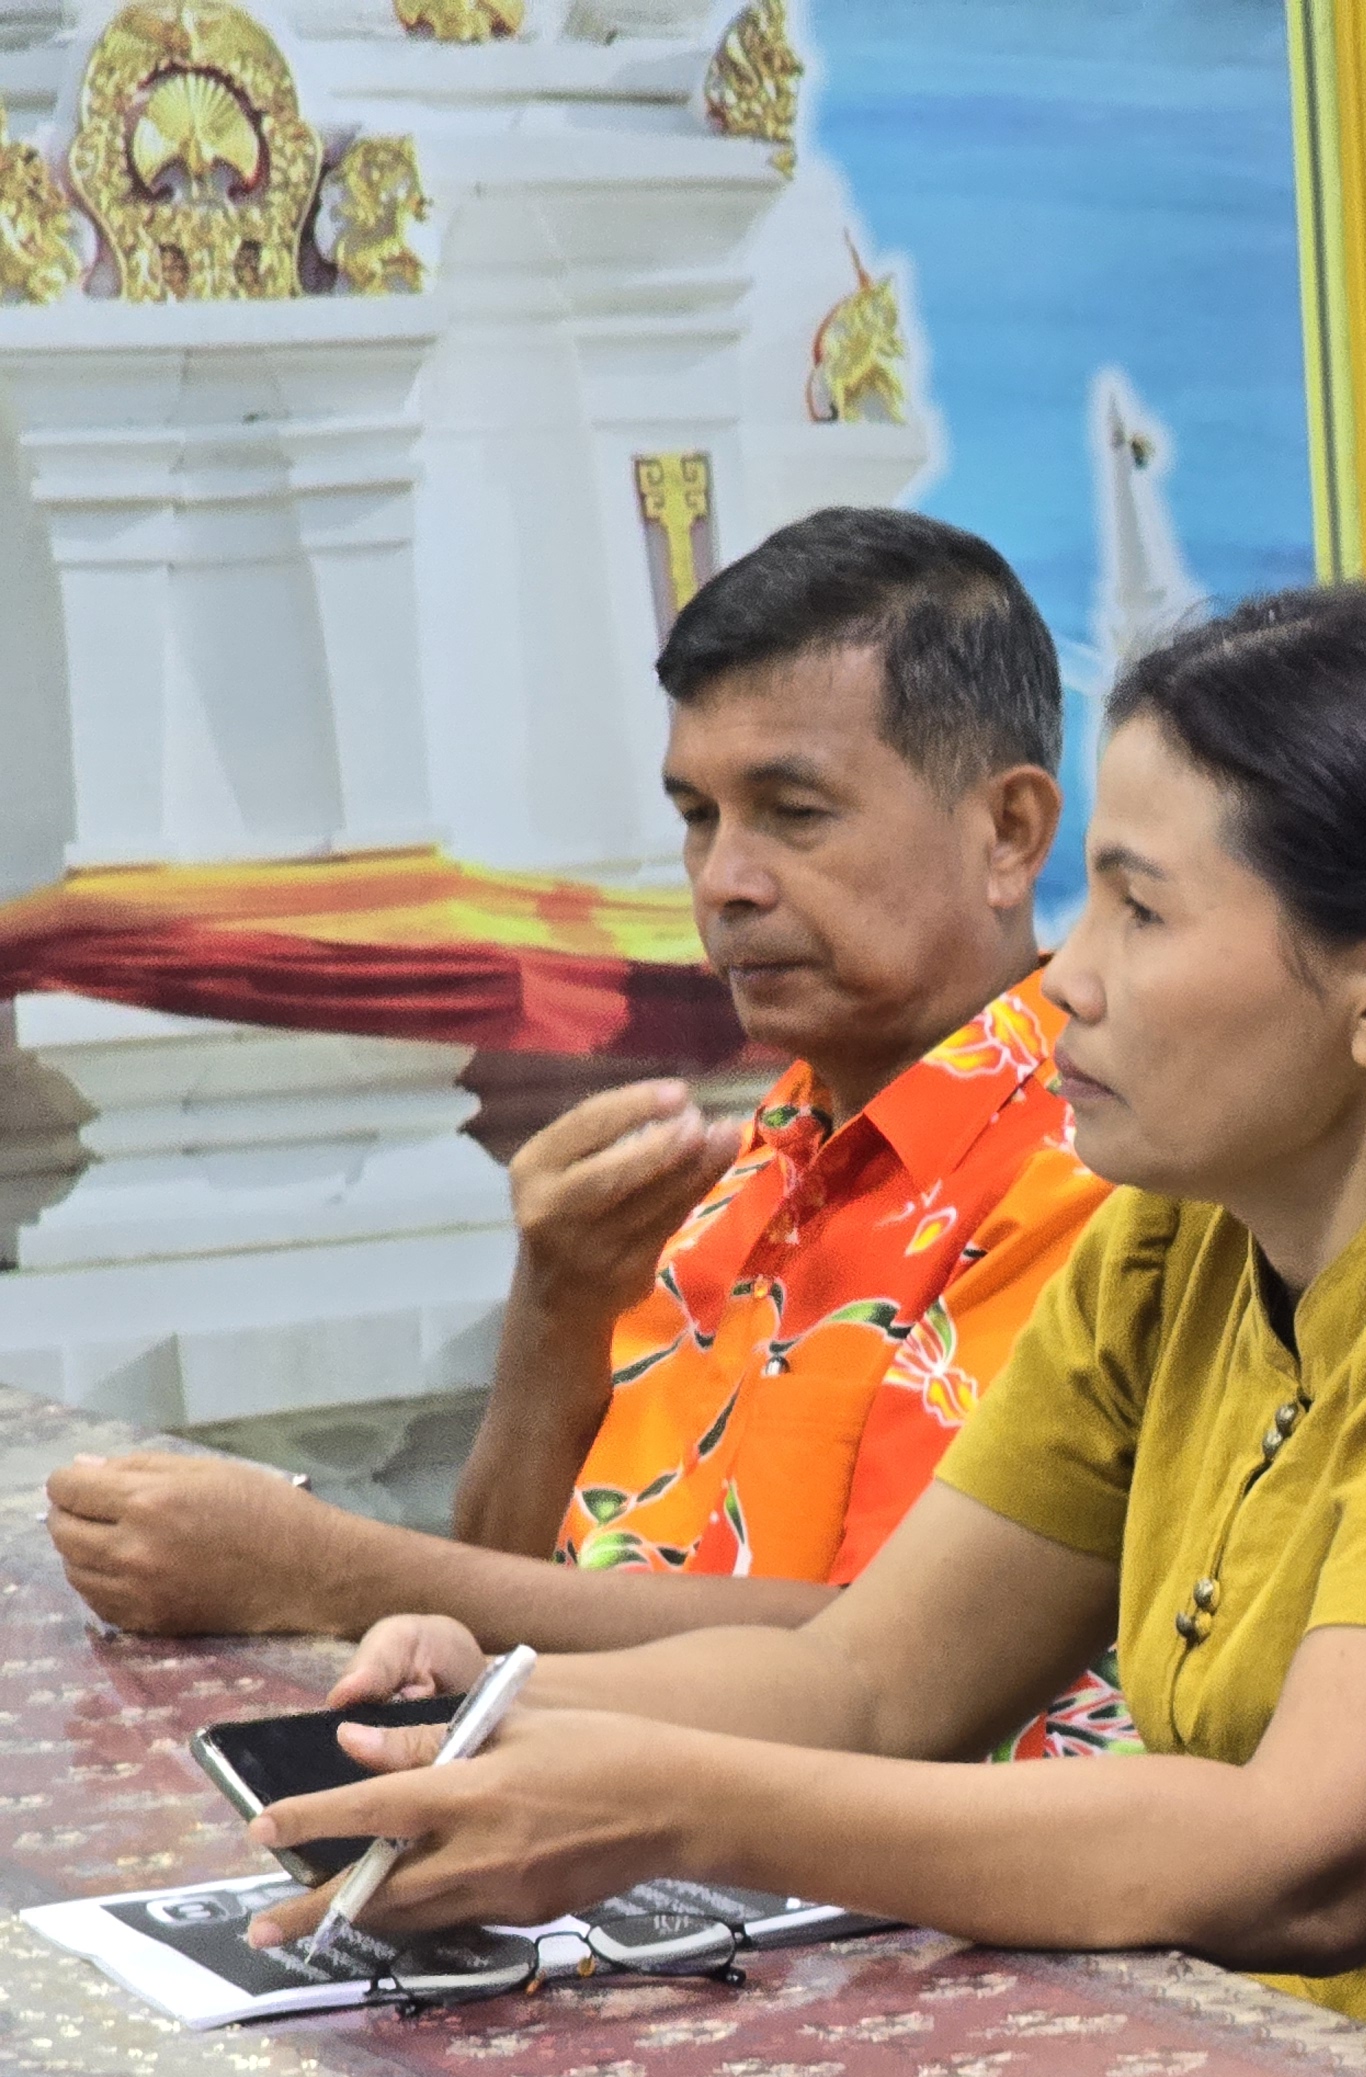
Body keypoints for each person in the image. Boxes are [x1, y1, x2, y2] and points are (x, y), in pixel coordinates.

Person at [243, 586, 1366, 2077]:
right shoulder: (1173, 1244)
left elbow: (1311, 1854)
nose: (1069, 978)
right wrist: (520, 1711)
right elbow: (867, 1677)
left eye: (1143, 910)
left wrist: (661, 1803)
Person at [51, 512, 1113, 1697]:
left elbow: (891, 1668)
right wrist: (555, 1309)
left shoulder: (1099, 1163)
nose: (725, 883)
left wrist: (336, 1574)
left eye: (794, 813)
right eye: (697, 817)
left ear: (1010, 833)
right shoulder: (760, 1146)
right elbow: (508, 1604)